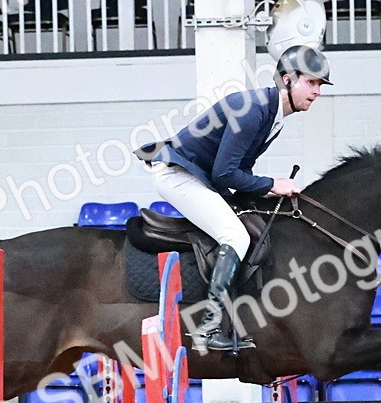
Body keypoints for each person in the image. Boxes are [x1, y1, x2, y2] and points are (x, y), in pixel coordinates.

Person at [134, 45, 331, 352]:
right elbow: (225, 174)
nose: (317, 91)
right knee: (235, 236)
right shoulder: (254, 110)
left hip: (199, 176)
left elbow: (238, 168)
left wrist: (263, 190)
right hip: (178, 175)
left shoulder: (272, 114)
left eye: (320, 85)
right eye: (312, 82)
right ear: (287, 80)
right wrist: (271, 184)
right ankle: (208, 328)